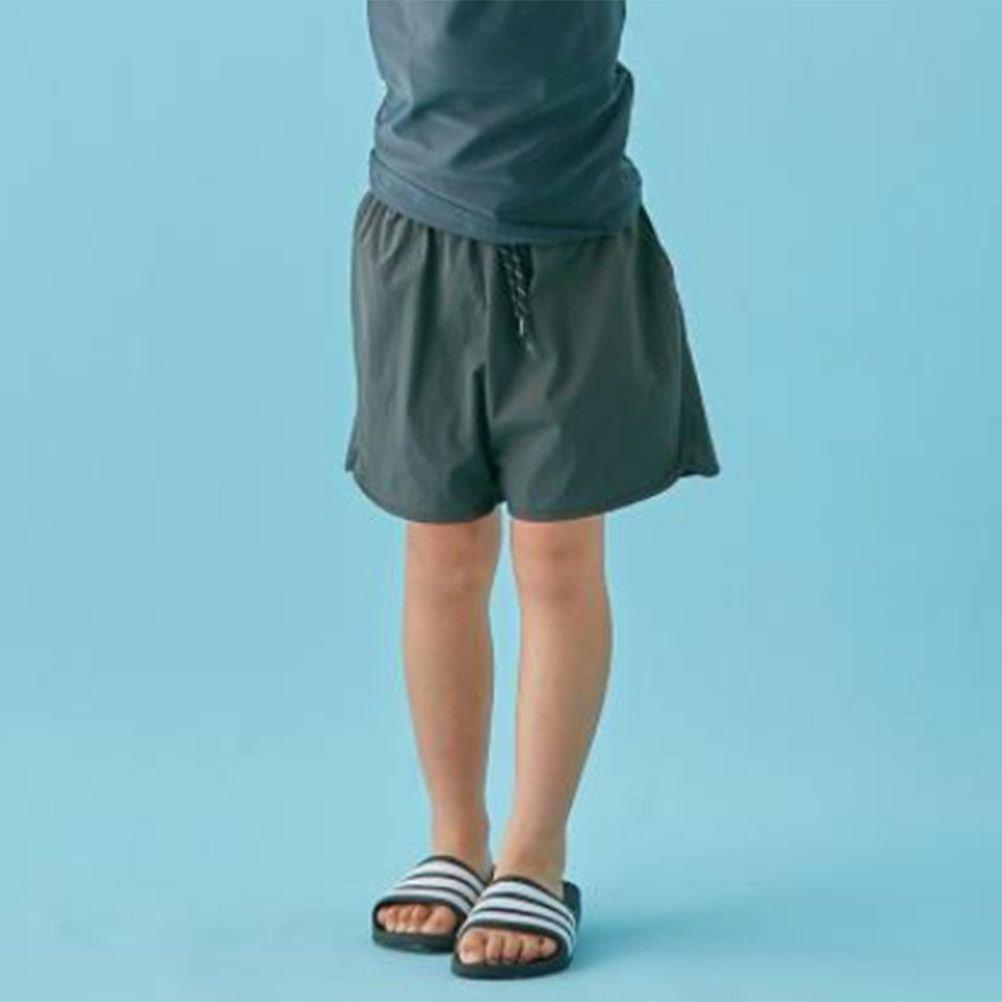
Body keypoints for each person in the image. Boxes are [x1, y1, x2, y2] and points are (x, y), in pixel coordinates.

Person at [344, 0, 720, 980]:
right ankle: (454, 839)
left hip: (571, 240)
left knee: (557, 554)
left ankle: (535, 853)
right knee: (441, 549)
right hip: (420, 233)